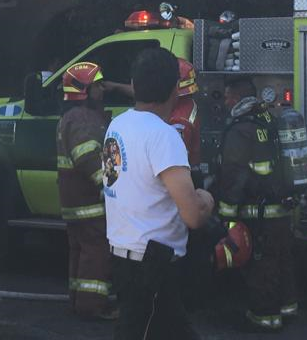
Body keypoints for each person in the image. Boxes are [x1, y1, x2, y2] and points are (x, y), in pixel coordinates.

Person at [102, 47, 214, 340]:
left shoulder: (117, 125)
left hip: (123, 255)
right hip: (151, 266)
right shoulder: (164, 136)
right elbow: (193, 216)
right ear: (176, 88)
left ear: (133, 84)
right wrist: (207, 199)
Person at [216, 78, 298, 332]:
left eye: (228, 97)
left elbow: (233, 174)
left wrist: (226, 214)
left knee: (262, 265)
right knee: (282, 259)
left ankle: (265, 317)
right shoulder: (270, 120)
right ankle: (287, 308)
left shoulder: (240, 129)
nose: (225, 102)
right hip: (281, 208)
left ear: (238, 98)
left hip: (258, 212)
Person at [56, 62, 116, 321]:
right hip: (88, 203)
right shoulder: (82, 118)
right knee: (96, 253)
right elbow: (87, 156)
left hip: (76, 202)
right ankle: (92, 307)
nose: (102, 89)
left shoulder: (75, 117)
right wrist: (108, 185)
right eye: (97, 85)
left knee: (80, 253)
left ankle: (78, 301)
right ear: (84, 90)